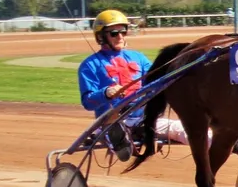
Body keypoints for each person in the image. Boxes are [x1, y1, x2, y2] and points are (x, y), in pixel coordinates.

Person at [78, 9, 192, 161]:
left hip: (143, 119)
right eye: (113, 33)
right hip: (110, 120)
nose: (120, 36)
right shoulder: (89, 65)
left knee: (185, 129)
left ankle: (225, 144)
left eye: (123, 31)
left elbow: (154, 82)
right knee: (112, 125)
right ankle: (117, 138)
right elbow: (88, 102)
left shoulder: (138, 57)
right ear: (101, 36)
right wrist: (106, 93)